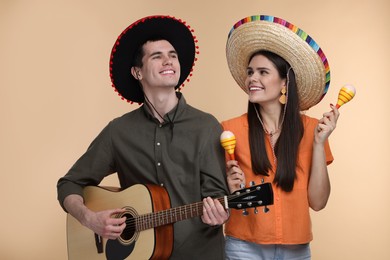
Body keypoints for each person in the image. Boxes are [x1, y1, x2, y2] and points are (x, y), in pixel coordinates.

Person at [57, 15, 229, 259]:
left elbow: (218, 198)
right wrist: (90, 219)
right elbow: (69, 183)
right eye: (157, 56)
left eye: (173, 55)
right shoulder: (119, 131)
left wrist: (219, 214)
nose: (168, 60)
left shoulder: (207, 126)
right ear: (137, 72)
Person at [221, 15, 339, 259]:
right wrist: (227, 186)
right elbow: (217, 196)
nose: (252, 78)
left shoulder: (313, 130)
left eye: (263, 72)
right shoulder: (228, 131)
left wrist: (318, 144)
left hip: (296, 249)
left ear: (285, 82)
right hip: (243, 246)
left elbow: (318, 202)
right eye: (250, 72)